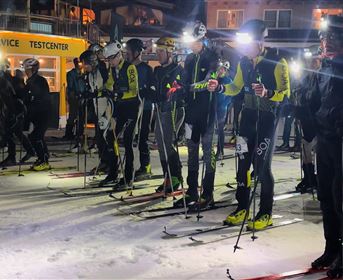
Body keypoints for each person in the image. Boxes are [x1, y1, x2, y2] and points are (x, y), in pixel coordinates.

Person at [208, 19, 290, 230]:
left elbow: (286, 94)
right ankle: (242, 206)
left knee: (262, 168)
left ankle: (265, 213)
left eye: (247, 43)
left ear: (259, 41)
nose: (244, 48)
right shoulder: (244, 62)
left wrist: (268, 93)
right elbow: (235, 87)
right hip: (248, 119)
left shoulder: (278, 61)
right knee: (242, 165)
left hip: (267, 120)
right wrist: (219, 88)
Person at [307, 15, 343, 279]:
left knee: (341, 198)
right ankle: (331, 248)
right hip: (326, 140)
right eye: (323, 37)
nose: (325, 42)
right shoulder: (325, 66)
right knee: (326, 198)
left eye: (332, 37)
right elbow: (317, 102)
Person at [175, 21, 219, 209]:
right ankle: (191, 190)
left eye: (191, 41)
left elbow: (210, 80)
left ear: (200, 39)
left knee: (208, 152)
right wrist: (177, 88)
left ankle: (207, 193)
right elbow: (182, 79)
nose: (189, 44)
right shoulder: (190, 58)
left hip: (208, 112)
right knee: (191, 150)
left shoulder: (212, 56)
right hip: (191, 112)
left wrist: (191, 87)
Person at [100, 41, 139, 188]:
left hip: (131, 108)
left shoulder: (130, 68)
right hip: (119, 108)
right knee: (111, 137)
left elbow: (134, 90)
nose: (109, 62)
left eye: (111, 58)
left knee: (128, 142)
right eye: (108, 59)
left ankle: (128, 177)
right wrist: (104, 90)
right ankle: (113, 172)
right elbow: (109, 83)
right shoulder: (113, 69)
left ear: (118, 55)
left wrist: (119, 94)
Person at [150, 37, 185, 193]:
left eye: (161, 51)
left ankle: (175, 176)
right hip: (160, 108)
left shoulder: (178, 70)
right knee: (160, 142)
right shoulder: (158, 70)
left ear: (170, 52)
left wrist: (164, 94)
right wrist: (149, 92)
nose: (158, 54)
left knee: (167, 142)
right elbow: (154, 87)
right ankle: (167, 176)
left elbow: (175, 88)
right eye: (157, 51)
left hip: (174, 109)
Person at [125, 38, 154, 180]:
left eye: (128, 52)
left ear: (137, 52)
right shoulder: (127, 67)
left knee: (142, 137)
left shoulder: (146, 69)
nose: (126, 55)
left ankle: (145, 166)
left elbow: (152, 88)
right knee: (130, 137)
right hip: (130, 106)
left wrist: (146, 91)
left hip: (145, 107)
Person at [294, 51, 321, 194]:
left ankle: (319, 179)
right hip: (305, 119)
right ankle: (308, 178)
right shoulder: (304, 78)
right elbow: (299, 95)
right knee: (305, 151)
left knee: (318, 151)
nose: (313, 63)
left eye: (316, 61)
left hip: (318, 121)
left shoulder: (322, 78)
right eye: (311, 61)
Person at [78, 50, 109, 172]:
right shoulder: (90, 75)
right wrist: (87, 94)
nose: (84, 66)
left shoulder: (102, 71)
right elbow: (92, 90)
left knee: (106, 138)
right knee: (99, 138)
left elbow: (107, 88)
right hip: (97, 109)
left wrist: (97, 93)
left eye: (86, 63)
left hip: (106, 108)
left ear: (93, 62)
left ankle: (111, 164)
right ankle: (103, 161)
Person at [23, 58, 52, 171]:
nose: (26, 71)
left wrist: (32, 99)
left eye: (27, 69)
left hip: (43, 113)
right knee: (33, 136)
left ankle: (44, 160)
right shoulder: (30, 81)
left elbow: (42, 97)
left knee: (37, 136)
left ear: (33, 69)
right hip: (36, 113)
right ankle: (42, 158)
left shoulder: (39, 80)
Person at [216, 61, 232, 158]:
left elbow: (230, 96)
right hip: (212, 107)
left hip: (221, 108)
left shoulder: (228, 81)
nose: (221, 71)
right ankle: (210, 152)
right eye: (220, 68)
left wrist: (223, 105)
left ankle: (220, 151)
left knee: (220, 130)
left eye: (223, 69)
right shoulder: (214, 79)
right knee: (210, 130)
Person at [64, 58, 82, 140]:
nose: (80, 65)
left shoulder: (83, 73)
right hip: (74, 97)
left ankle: (79, 133)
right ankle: (68, 133)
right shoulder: (71, 74)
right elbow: (70, 85)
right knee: (73, 115)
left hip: (82, 97)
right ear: (75, 64)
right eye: (79, 63)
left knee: (81, 115)